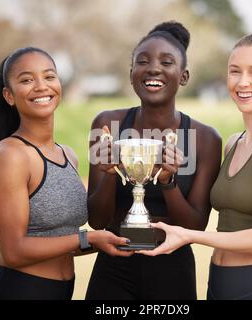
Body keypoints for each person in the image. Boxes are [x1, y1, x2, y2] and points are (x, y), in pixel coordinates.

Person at [139, 30, 252, 300]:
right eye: (234, 71)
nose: (242, 82)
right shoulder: (233, 143)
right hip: (218, 285)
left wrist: (190, 236)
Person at [0, 47, 131, 300]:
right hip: (19, 291)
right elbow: (14, 251)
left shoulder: (67, 155)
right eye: (27, 80)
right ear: (9, 95)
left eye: (49, 76)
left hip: (59, 292)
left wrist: (114, 240)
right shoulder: (11, 154)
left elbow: (61, 244)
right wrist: (89, 237)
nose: (41, 86)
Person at [85, 21, 222, 300]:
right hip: (114, 265)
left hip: (172, 268)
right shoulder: (108, 123)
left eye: (167, 61)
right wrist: (111, 172)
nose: (154, 68)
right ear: (132, 74)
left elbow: (196, 226)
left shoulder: (204, 137)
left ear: (183, 77)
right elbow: (97, 221)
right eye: (143, 61)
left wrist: (168, 182)